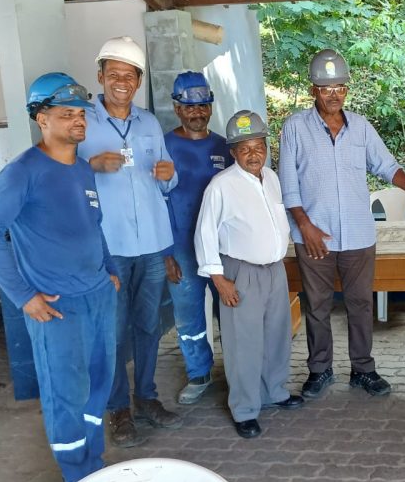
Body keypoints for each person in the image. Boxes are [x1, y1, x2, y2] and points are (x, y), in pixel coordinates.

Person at [0, 72, 119, 482]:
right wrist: (24, 296)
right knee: (65, 396)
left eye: (81, 113)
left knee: (97, 386)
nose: (78, 121)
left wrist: (108, 269)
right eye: (66, 114)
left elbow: (95, 226)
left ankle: (93, 463)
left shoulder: (81, 170)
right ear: (42, 119)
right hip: (57, 308)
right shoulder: (23, 171)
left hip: (97, 297)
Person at [279, 49, 405, 399]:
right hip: (314, 236)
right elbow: (288, 184)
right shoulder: (295, 128)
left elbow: (386, 165)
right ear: (313, 89)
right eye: (325, 87)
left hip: (359, 234)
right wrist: (305, 226)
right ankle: (319, 370)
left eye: (340, 87)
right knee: (316, 306)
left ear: (347, 89)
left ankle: (363, 369)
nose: (333, 94)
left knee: (360, 304)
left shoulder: (360, 127)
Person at [77, 36, 182, 448]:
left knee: (149, 326)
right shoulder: (83, 122)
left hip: (152, 242)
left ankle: (147, 398)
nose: (122, 82)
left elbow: (168, 184)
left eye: (130, 76)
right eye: (114, 74)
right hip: (111, 246)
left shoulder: (150, 123)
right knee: (115, 331)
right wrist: (91, 165)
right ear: (101, 76)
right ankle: (118, 408)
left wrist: (168, 174)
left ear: (138, 82)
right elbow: (59, 176)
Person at [196, 111, 304, 438]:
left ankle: (275, 391)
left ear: (267, 146)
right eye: (245, 149)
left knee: (276, 334)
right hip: (239, 272)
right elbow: (204, 234)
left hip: (274, 269)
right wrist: (219, 279)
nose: (254, 154)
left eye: (259, 146)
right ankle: (244, 409)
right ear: (233, 152)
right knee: (243, 341)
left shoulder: (270, 177)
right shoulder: (221, 186)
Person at [163, 71, 232, 405]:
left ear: (210, 107)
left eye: (203, 106)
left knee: (230, 311)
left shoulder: (224, 147)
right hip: (181, 248)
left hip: (222, 249)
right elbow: (153, 202)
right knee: (188, 316)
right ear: (177, 108)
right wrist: (165, 254)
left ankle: (237, 372)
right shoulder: (164, 146)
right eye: (189, 107)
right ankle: (199, 372)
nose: (197, 113)